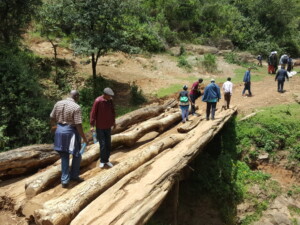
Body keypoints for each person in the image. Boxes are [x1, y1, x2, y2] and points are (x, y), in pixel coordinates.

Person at [50, 90, 88, 188]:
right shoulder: (76, 107)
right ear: (76, 97)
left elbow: (52, 117)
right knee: (76, 154)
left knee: (64, 156)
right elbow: (78, 125)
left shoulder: (58, 103)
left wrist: (54, 127)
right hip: (70, 133)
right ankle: (74, 176)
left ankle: (65, 180)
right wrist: (84, 138)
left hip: (59, 131)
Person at [90, 87, 116, 168]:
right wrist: (92, 125)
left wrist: (114, 122)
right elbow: (93, 113)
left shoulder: (110, 101)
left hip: (108, 126)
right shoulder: (98, 101)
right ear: (104, 95)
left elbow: (112, 111)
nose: (110, 97)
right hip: (100, 127)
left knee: (108, 144)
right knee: (103, 144)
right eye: (109, 96)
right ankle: (102, 160)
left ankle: (107, 160)